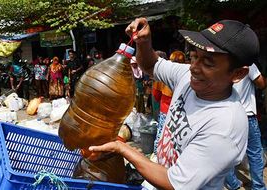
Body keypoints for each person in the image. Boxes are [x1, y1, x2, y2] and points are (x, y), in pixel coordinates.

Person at [88, 18, 259, 189]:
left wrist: (123, 148)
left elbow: (173, 183)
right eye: (194, 57)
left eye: (207, 62)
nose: (194, 67)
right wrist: (144, 42)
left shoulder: (225, 127)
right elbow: (151, 65)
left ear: (238, 74)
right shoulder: (188, 77)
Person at [225, 63, 266, 190]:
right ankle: (258, 186)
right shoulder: (248, 64)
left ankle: (232, 183)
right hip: (247, 114)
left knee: (227, 151)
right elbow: (261, 84)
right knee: (255, 152)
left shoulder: (225, 61)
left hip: (227, 114)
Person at [152, 50, 186, 155]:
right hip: (180, 113)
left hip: (165, 110)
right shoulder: (186, 75)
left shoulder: (162, 76)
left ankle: (157, 156)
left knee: (161, 134)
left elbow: (156, 95)